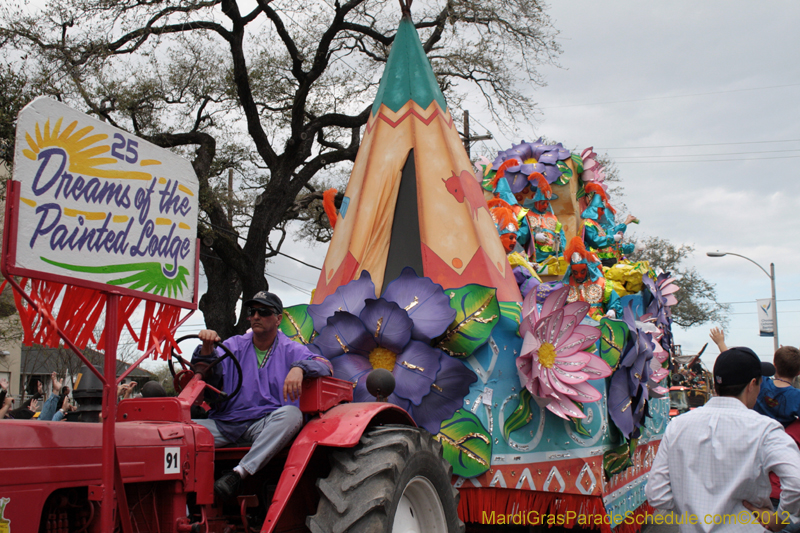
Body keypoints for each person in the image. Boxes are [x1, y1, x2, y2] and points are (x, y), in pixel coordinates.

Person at [192, 290, 332, 500]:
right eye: (252, 311)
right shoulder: (234, 345)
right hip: (226, 423)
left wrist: (300, 368)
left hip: (264, 425)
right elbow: (208, 368)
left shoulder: (291, 349)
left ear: (278, 319)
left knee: (292, 415)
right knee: (174, 433)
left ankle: (239, 473)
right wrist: (206, 347)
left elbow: (325, 365)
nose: (256, 316)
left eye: (264, 312)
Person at [646, 347, 800, 532]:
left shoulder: (677, 426)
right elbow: (796, 483)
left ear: (716, 384)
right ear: (752, 384)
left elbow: (656, 493)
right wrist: (780, 520)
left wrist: (693, 509)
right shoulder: (766, 430)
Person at [755, 346, 800, 426]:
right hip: (782, 433)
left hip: (755, 430)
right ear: (798, 373)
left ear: (774, 366)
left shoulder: (761, 382)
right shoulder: (797, 396)